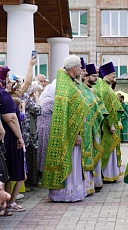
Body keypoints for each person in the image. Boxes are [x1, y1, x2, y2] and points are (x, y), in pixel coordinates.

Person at [41, 55, 88, 202]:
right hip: (70, 134)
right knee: (70, 161)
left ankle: (70, 192)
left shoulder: (68, 84)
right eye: (80, 67)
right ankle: (66, 193)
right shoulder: (67, 86)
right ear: (74, 68)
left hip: (69, 133)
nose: (81, 69)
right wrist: (76, 134)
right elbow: (70, 114)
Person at [0, 65, 26, 212]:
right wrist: (20, 138)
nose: (10, 81)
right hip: (11, 138)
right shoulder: (3, 94)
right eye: (7, 77)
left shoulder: (5, 94)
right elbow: (11, 118)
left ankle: (7, 202)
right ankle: (10, 202)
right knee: (16, 172)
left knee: (8, 173)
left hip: (8, 138)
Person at [79, 63, 107, 194]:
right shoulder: (82, 89)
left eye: (97, 75)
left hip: (95, 127)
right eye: (94, 75)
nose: (96, 78)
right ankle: (89, 184)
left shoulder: (92, 90)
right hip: (86, 129)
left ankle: (95, 183)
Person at [94, 62, 124, 183]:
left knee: (112, 148)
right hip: (107, 126)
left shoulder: (106, 86)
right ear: (106, 74)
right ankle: (107, 173)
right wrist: (110, 124)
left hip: (112, 123)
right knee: (108, 148)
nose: (114, 76)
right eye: (113, 74)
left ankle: (112, 173)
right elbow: (106, 107)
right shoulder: (103, 88)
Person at [22, 83, 42, 186]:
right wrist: (37, 99)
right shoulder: (26, 98)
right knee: (29, 156)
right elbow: (38, 110)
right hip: (28, 132)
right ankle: (29, 183)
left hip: (28, 132)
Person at [37, 80, 56, 184]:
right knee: (45, 151)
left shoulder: (44, 100)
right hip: (47, 129)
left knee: (42, 151)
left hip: (42, 128)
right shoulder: (49, 101)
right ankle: (45, 175)